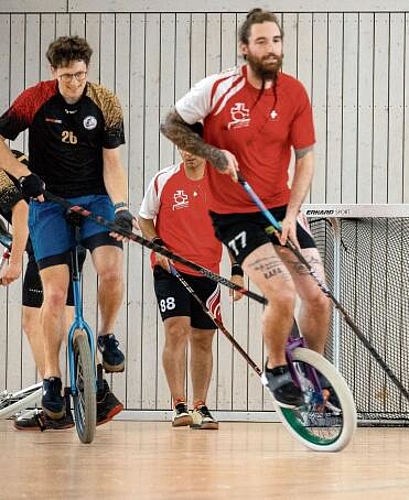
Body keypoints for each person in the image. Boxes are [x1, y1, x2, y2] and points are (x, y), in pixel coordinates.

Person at [160, 8, 331, 407]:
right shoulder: (216, 90)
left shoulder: (294, 93)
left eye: (276, 41)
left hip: (279, 210)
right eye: (261, 42)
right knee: (284, 295)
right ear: (244, 48)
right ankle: (274, 369)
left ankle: (315, 378)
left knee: (319, 298)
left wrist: (291, 214)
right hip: (235, 214)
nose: (271, 49)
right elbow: (171, 125)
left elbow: (305, 158)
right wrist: (212, 153)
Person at [0, 36, 134, 424]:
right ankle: (52, 378)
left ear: (87, 71)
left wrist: (122, 207)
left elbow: (112, 163)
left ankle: (107, 335)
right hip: (48, 205)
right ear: (53, 72)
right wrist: (24, 176)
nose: (74, 83)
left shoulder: (105, 102)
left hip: (95, 199)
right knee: (55, 297)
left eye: (80, 75)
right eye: (66, 76)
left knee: (111, 270)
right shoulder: (35, 99)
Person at [0, 151, 122, 431]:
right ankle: (99, 391)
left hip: (46, 235)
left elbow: (21, 210)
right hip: (68, 224)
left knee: (33, 321)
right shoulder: (15, 158)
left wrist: (16, 262)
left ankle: (53, 401)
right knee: (65, 315)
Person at [139, 123, 242, 430]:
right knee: (176, 330)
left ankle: (200, 406)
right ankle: (179, 404)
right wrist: (158, 247)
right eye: (183, 147)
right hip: (170, 269)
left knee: (203, 338)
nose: (188, 154)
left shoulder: (221, 185)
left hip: (207, 272)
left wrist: (236, 271)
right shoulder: (164, 180)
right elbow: (145, 219)